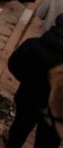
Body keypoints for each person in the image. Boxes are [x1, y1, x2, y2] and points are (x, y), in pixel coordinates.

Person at [6, 14, 63, 148]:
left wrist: (27, 80)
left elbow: (13, 65)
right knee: (48, 142)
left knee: (18, 132)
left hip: (28, 99)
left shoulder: (32, 45)